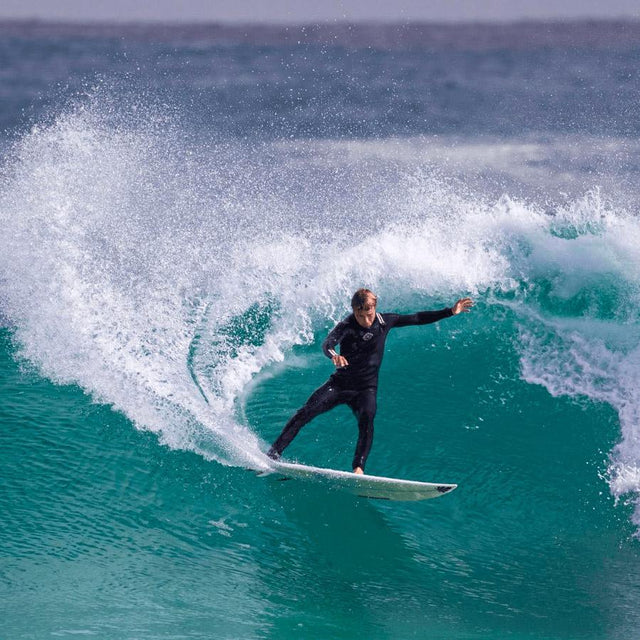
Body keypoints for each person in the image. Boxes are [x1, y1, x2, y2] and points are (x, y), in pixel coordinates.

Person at [267, 288, 473, 474]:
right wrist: (333, 356)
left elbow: (417, 318)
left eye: (368, 315)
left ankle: (358, 469)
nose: (365, 320)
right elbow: (327, 343)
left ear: (375, 308)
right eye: (360, 315)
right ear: (353, 311)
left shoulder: (386, 322)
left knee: (367, 420)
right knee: (305, 413)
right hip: (339, 385)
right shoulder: (346, 326)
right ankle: (273, 455)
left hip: (366, 388)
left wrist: (450, 311)